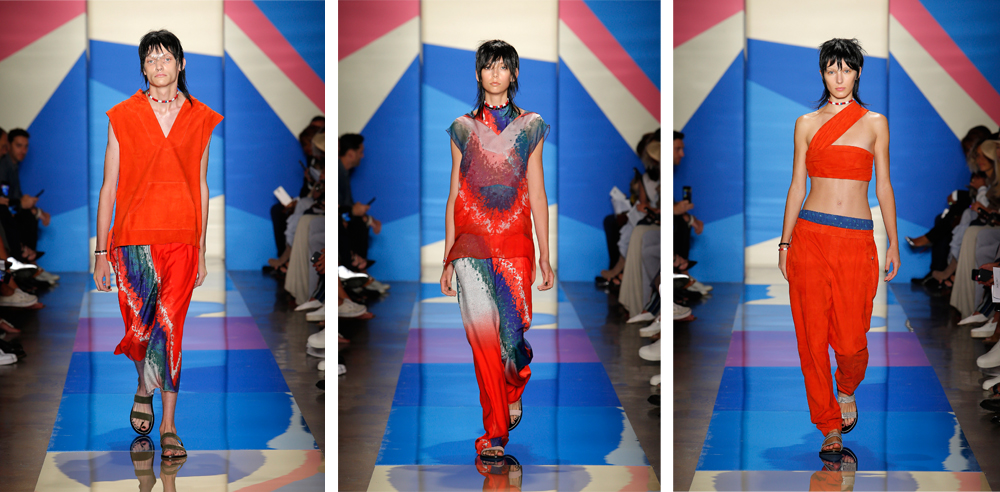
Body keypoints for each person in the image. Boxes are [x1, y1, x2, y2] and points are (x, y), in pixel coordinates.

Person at [92, 29, 223, 462]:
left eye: (166, 58)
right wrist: (100, 252)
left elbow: (201, 186)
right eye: (150, 59)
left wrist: (201, 249)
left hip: (181, 239)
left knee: (170, 330)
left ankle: (169, 425)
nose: (159, 66)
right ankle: (143, 384)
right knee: (141, 329)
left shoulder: (200, 117)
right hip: (132, 241)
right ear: (143, 67)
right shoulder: (122, 115)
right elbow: (109, 186)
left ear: (181, 64)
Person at [777, 38, 899, 462]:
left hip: (856, 240)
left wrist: (893, 241)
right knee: (811, 338)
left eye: (846, 69)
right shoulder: (806, 123)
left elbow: (884, 185)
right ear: (822, 73)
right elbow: (797, 185)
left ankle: (846, 387)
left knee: (850, 342)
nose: (839, 77)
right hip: (810, 236)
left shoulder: (875, 123)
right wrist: (785, 241)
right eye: (832, 70)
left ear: (858, 72)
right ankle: (828, 424)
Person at [439, 39, 553, 461]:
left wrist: (545, 254)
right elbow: (454, 193)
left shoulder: (531, 126)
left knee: (513, 339)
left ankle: (513, 386)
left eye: (503, 66)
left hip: (515, 244)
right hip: (470, 246)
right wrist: (448, 257)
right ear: (478, 73)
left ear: (514, 74)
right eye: (488, 66)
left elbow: (537, 192)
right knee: (483, 342)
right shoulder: (461, 128)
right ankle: (495, 432)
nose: (495, 73)